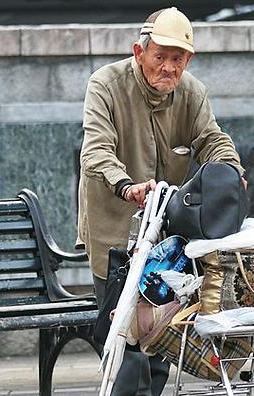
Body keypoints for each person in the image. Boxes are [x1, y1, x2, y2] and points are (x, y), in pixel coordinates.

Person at [77, 7, 245, 396]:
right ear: (139, 52)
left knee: (163, 336)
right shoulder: (105, 84)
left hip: (169, 239)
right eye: (160, 56)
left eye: (178, 59)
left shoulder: (193, 93)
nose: (169, 67)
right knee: (126, 339)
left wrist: (230, 172)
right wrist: (127, 186)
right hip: (116, 232)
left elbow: (212, 139)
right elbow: (96, 152)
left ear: (189, 60)